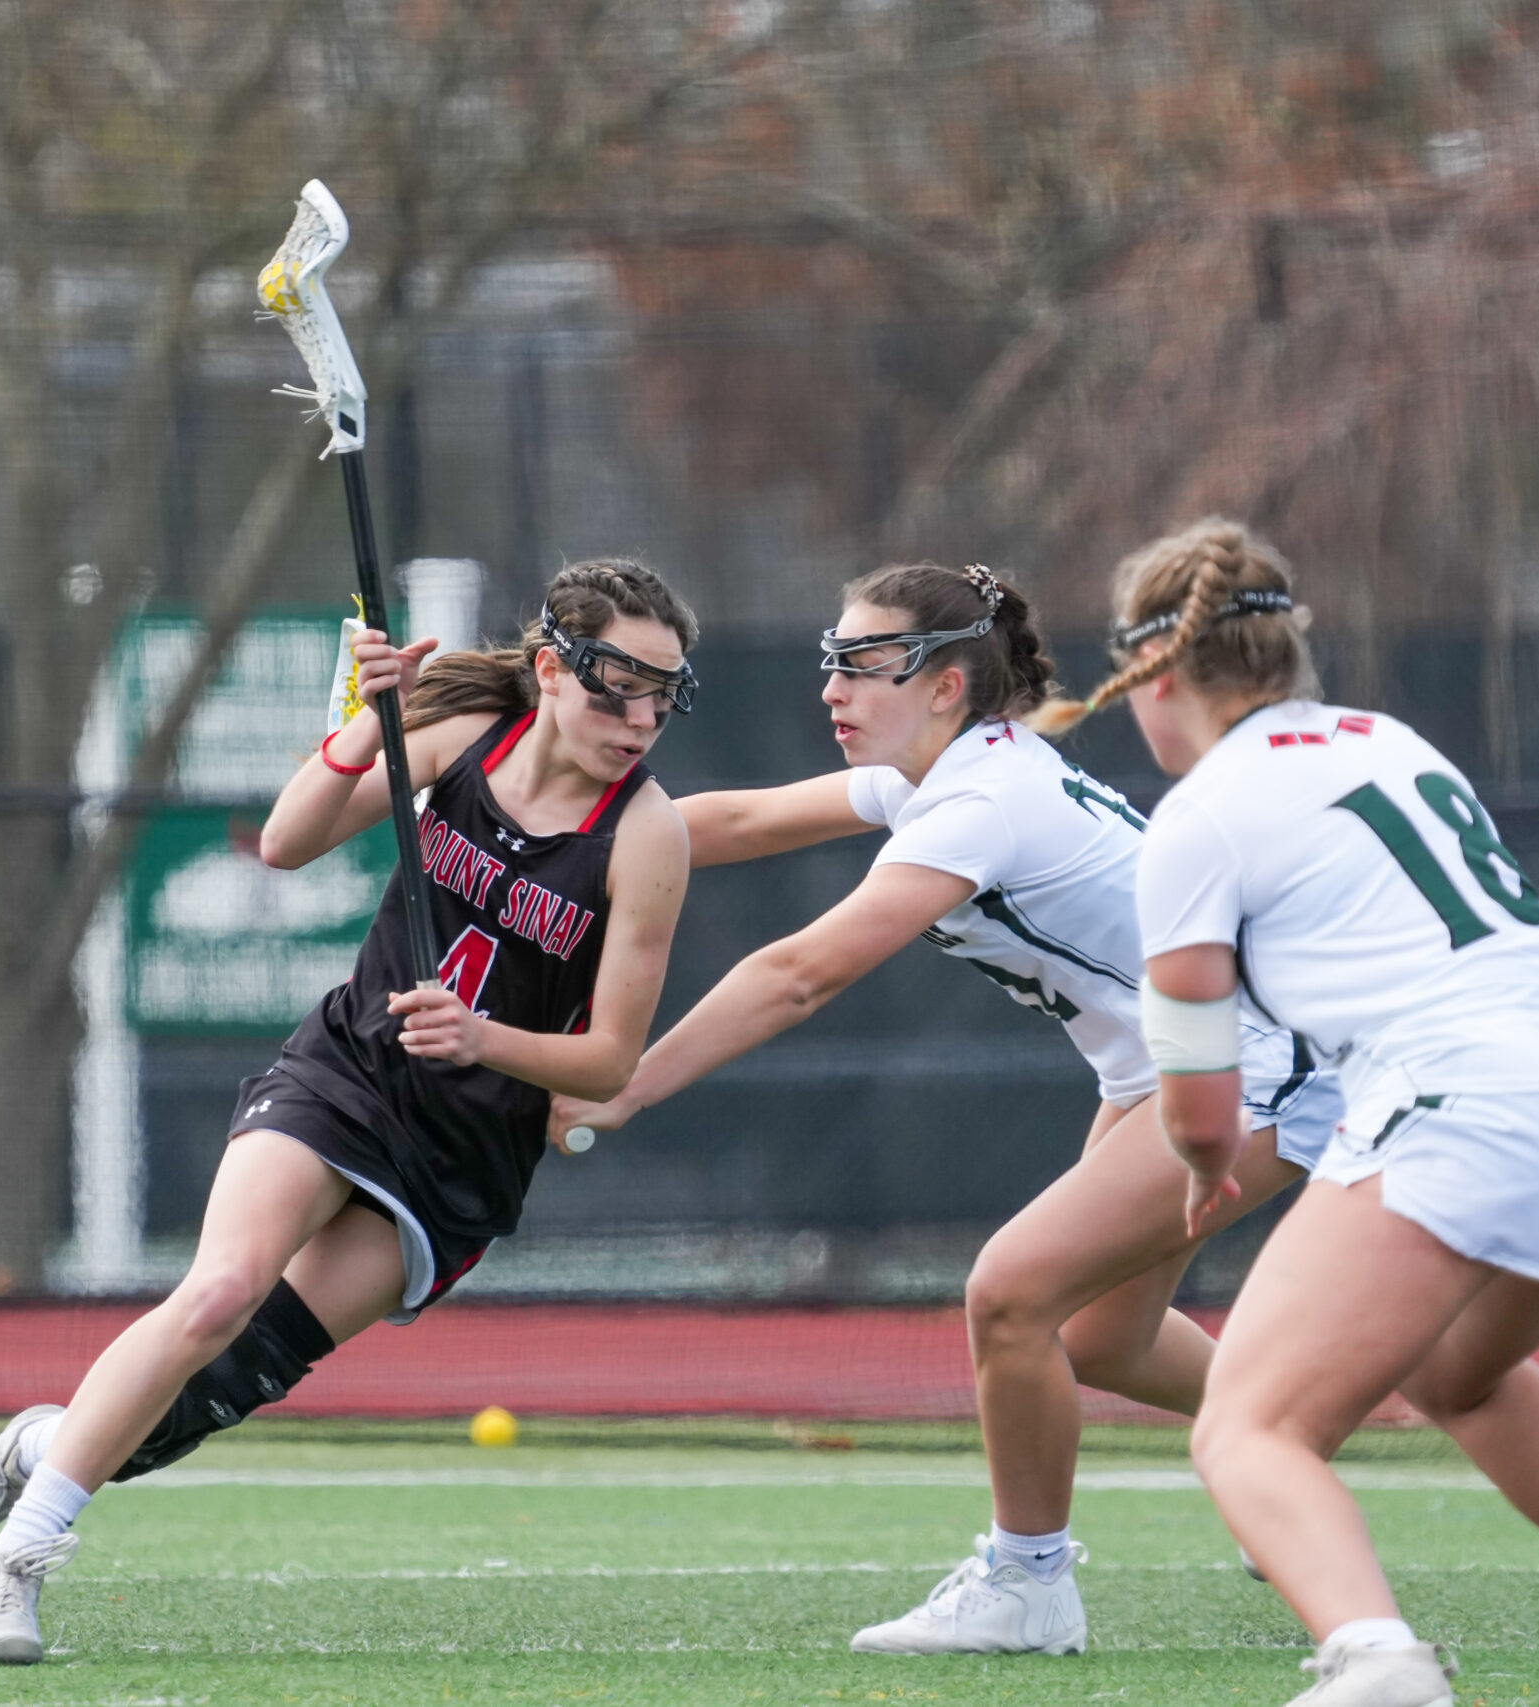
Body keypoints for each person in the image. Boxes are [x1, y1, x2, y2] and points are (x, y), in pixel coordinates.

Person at [0, 560, 698, 1665]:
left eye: (664, 696)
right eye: (617, 686)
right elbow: (288, 841)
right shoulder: (461, 728)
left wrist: (484, 1039)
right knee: (213, 1294)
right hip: (346, 1073)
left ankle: (42, 1447)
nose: (639, 719)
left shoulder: (647, 837)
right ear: (551, 668)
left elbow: (607, 1062)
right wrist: (364, 724)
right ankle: (10, 1569)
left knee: (222, 1384)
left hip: (462, 1157)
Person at [550, 560, 1342, 1657]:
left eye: (863, 663)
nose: (831, 688)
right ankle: (1285, 1438)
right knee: (1099, 1338)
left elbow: (801, 972)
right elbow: (719, 822)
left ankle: (1028, 1584)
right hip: (1161, 1068)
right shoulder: (928, 777)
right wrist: (538, 847)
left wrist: (627, 1081)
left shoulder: (981, 798)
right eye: (831, 660)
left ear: (948, 686)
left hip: (1248, 1063)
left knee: (1008, 1298)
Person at [1077, 518, 1539, 1705]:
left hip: (1459, 1098)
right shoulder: (1391, 742)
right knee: (1460, 1375)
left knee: (1245, 1427)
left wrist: (1201, 1172)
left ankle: (1376, 1659)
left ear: (1154, 676)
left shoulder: (1197, 815)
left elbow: (1196, 1088)